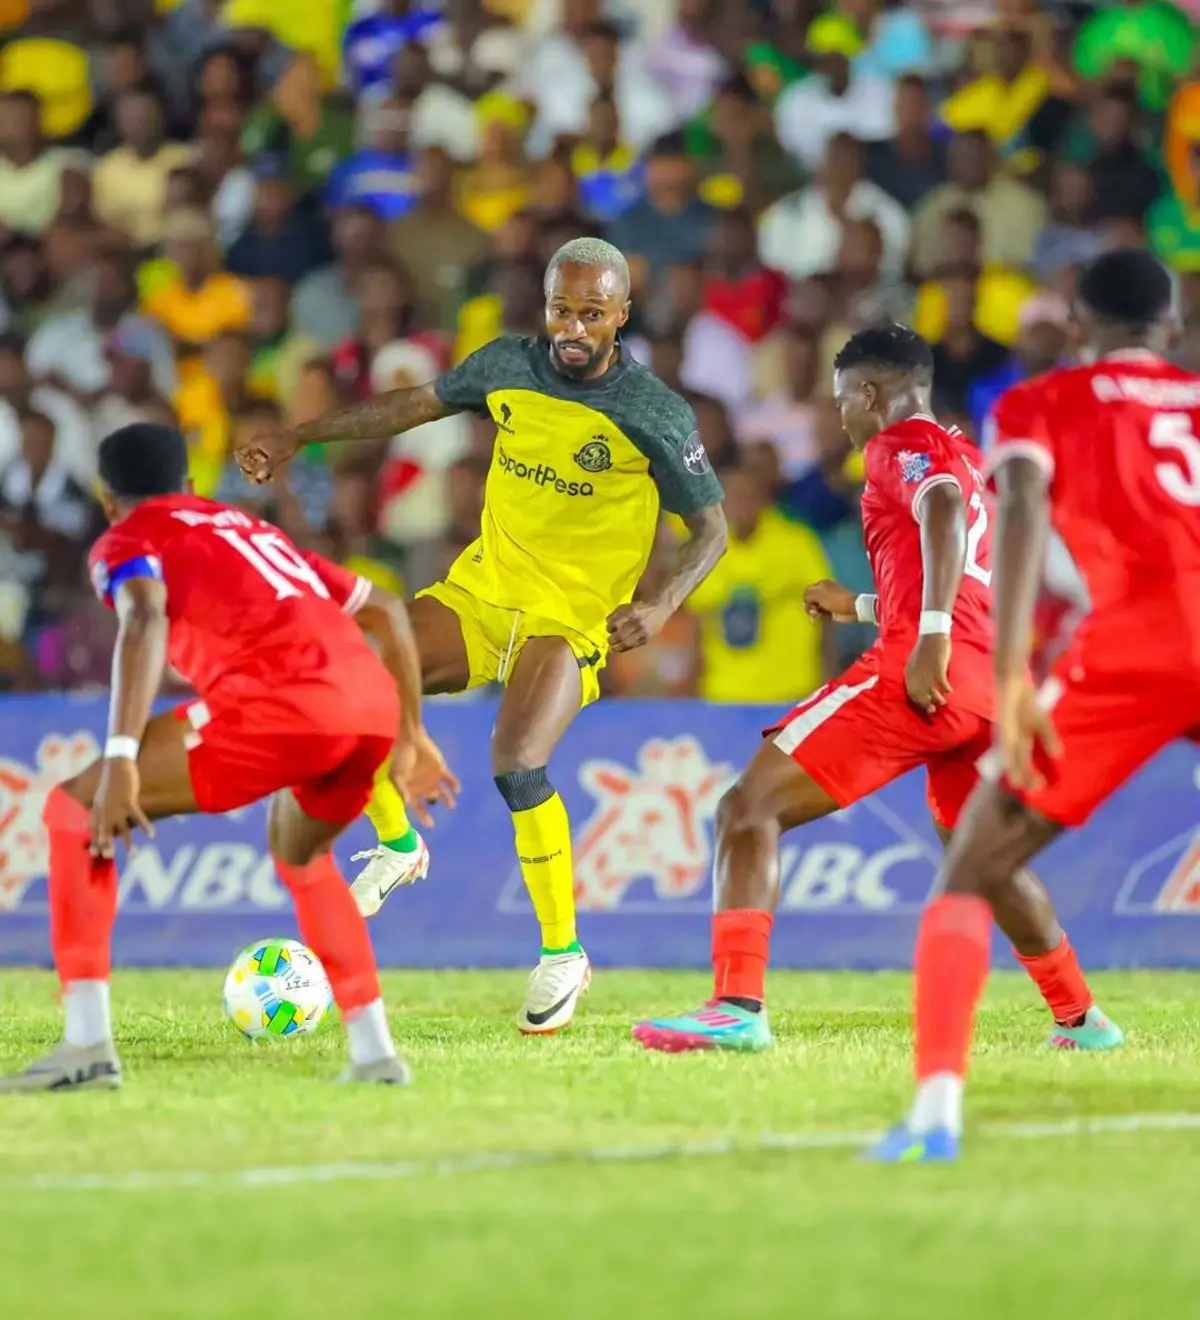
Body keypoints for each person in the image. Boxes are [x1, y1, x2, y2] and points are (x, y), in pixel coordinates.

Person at [236, 236, 728, 1035]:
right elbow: (413, 405)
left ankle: (563, 952)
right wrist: (301, 435)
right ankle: (398, 844)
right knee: (355, 672)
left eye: (592, 314)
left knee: (517, 757)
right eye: (562, 309)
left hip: (569, 616)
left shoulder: (655, 414)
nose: (573, 327)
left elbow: (709, 528)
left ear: (622, 316)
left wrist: (665, 603)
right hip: (485, 593)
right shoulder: (508, 364)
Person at [633, 324, 1119, 1056]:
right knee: (980, 859)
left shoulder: (901, 443)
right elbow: (967, 571)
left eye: (842, 403)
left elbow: (943, 509)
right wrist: (862, 606)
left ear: (869, 392)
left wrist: (926, 638)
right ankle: (1083, 1019)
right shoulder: (968, 451)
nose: (842, 420)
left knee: (747, 806)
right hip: (986, 682)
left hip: (926, 670)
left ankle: (736, 1004)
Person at [0, 421, 456, 1092]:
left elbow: (145, 617)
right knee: (302, 857)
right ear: (188, 485)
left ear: (107, 499)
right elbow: (385, 608)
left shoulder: (127, 536)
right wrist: (412, 735)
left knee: (72, 810)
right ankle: (374, 1054)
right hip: (368, 706)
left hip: (277, 703)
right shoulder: (248, 528)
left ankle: (87, 1045)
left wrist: (123, 753)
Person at [870, 249, 1193, 1163]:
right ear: (1169, 329)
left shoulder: (1039, 402)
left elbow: (1014, 515)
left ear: (1078, 328)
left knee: (972, 866)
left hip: (1131, 647)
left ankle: (935, 1109)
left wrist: (1009, 675)